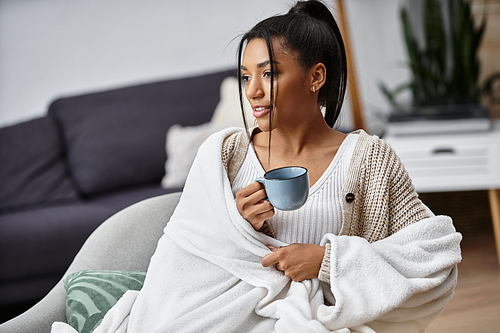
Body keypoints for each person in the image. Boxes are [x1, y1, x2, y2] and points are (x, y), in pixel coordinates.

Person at [51, 1, 462, 332]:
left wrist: (329, 261)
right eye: (246, 77)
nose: (254, 92)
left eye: (269, 74)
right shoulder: (224, 156)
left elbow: (434, 253)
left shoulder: (368, 160)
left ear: (315, 76)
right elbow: (179, 262)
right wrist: (235, 227)